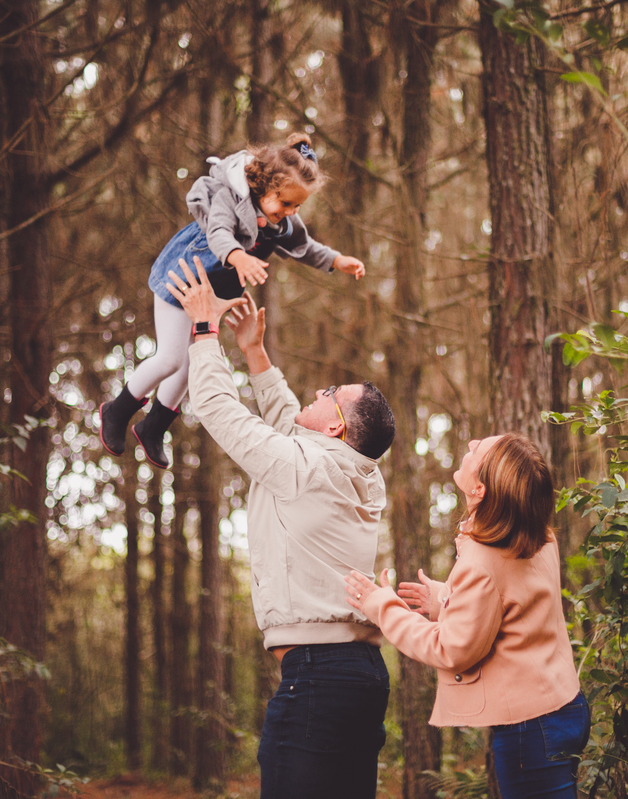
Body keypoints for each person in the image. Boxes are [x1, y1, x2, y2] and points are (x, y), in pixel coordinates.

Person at [165, 256, 396, 799]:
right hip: (357, 674)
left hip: (320, 679)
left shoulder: (309, 468)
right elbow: (287, 420)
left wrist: (203, 328)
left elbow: (222, 411)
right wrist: (254, 351)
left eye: (328, 395)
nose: (316, 394)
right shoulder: (351, 469)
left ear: (337, 425)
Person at [97, 132, 366, 468]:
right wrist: (239, 257)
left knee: (190, 365)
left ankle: (153, 427)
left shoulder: (281, 220)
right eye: (286, 203)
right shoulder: (230, 197)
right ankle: (117, 409)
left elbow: (305, 246)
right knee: (170, 358)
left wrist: (337, 260)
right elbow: (219, 233)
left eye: (298, 206)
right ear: (264, 185)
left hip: (210, 294)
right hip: (181, 279)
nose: (291, 211)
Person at [345, 434, 590, 799]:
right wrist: (445, 598)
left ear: (479, 489)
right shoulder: (538, 536)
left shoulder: (481, 560)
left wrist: (381, 605)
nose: (472, 441)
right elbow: (517, 603)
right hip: (564, 707)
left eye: (480, 449)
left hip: (531, 729)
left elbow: (452, 649)